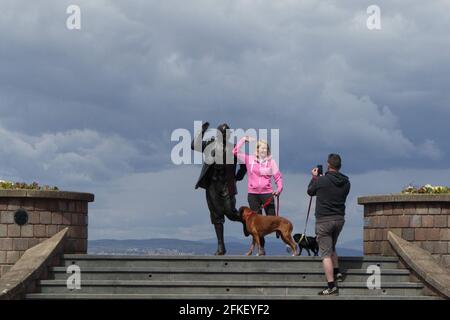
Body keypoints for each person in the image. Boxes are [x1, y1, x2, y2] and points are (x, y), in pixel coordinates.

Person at [191, 121, 247, 255]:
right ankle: (221, 246)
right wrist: (201, 131)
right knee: (216, 216)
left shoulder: (233, 148)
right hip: (212, 185)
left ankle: (246, 221)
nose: (224, 135)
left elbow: (244, 165)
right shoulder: (210, 145)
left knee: (231, 213)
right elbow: (194, 145)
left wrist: (239, 176)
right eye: (221, 133)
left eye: (226, 133)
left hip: (227, 185)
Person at [307, 153, 350, 296]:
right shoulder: (346, 182)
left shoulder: (321, 180)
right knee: (331, 246)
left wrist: (314, 177)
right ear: (340, 166)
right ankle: (337, 272)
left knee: (325, 254)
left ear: (328, 165)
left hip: (324, 220)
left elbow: (310, 191)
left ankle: (331, 286)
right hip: (339, 219)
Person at [233, 136, 283, 251]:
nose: (263, 151)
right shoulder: (249, 159)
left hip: (267, 194)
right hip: (253, 195)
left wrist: (279, 189)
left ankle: (282, 235)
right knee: (257, 223)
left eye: (266, 149)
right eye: (261, 148)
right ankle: (261, 249)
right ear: (257, 149)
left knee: (273, 219)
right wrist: (243, 140)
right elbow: (235, 151)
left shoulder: (271, 162)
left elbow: (278, 177)